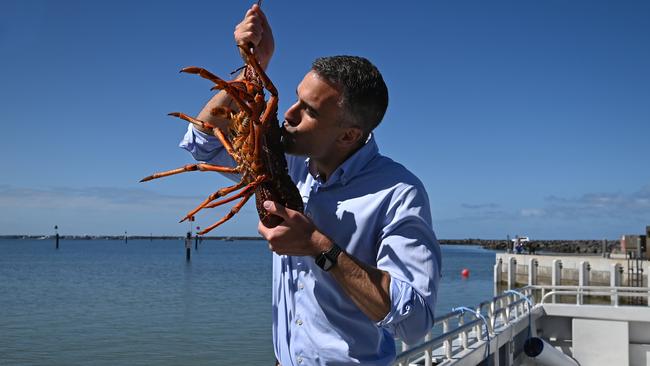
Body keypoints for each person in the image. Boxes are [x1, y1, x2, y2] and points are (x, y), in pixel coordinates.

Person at [179, 4, 441, 365]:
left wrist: (319, 246)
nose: (288, 113)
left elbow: (414, 323)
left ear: (349, 135)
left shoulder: (398, 192)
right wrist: (254, 68)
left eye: (310, 110)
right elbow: (203, 143)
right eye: (296, 98)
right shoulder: (288, 164)